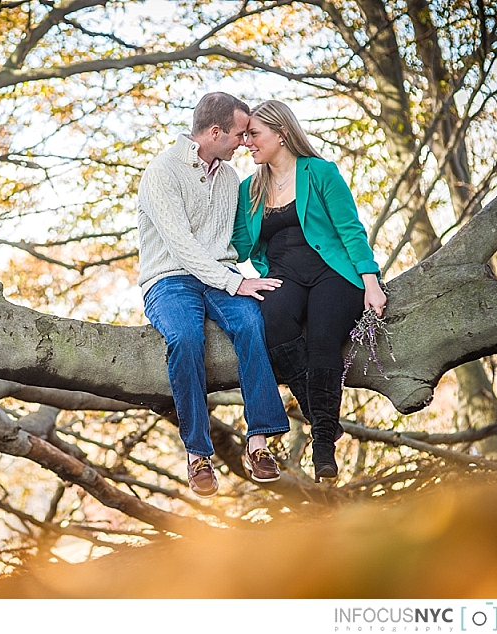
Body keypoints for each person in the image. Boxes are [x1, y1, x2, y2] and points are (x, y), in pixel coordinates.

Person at [138, 92, 290, 497]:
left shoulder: (228, 179)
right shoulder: (162, 172)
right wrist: (234, 282)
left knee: (252, 321)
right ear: (215, 131)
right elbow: (181, 245)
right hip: (168, 278)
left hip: (219, 276)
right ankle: (198, 455)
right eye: (240, 134)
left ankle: (259, 442)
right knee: (186, 338)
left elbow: (236, 243)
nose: (245, 141)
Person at [232, 100, 386, 482]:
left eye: (254, 134)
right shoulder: (248, 189)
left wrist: (371, 282)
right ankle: (325, 418)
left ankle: (322, 445)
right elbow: (234, 244)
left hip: (333, 274)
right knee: (273, 321)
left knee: (321, 339)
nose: (247, 142)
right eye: (246, 135)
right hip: (283, 276)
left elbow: (350, 229)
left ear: (281, 134)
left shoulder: (320, 172)